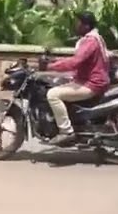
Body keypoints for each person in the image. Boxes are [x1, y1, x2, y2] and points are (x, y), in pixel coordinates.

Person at [44, 12, 110, 144]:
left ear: (86, 26)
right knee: (58, 85)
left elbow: (76, 62)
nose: (76, 25)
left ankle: (66, 131)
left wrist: (50, 66)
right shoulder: (95, 38)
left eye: (78, 23)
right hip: (89, 81)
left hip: (92, 84)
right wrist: (55, 61)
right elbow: (76, 59)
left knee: (52, 94)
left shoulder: (90, 41)